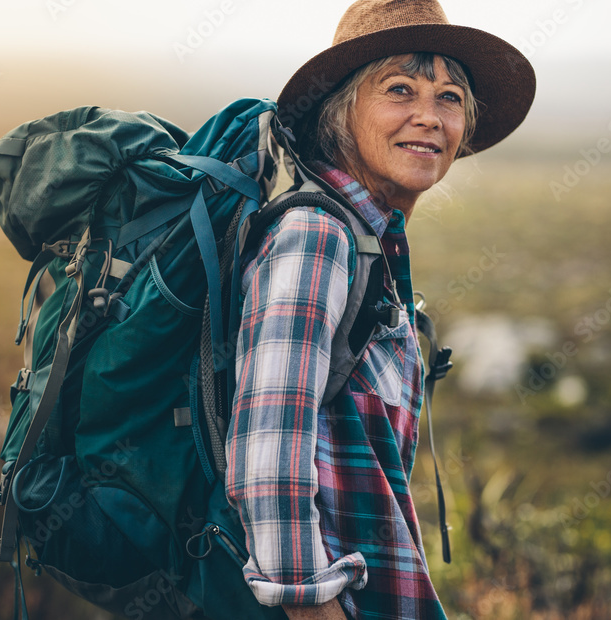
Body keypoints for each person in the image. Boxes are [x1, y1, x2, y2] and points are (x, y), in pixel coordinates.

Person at [224, 1, 535, 618]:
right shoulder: (317, 236)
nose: (429, 116)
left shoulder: (370, 243)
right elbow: (270, 448)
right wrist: (310, 603)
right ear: (342, 111)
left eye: (450, 98)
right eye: (400, 90)